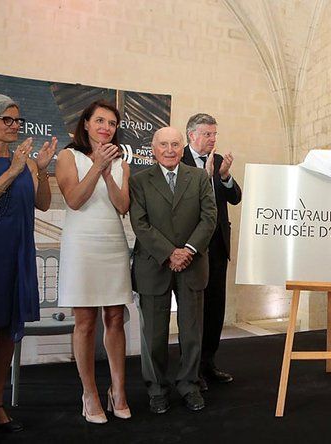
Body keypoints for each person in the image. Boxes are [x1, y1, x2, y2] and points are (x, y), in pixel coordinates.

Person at [0, 94, 56, 444]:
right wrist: (15, 170)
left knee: (7, 333)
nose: (15, 126)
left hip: (18, 253)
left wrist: (41, 170)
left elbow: (44, 204)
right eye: (7, 120)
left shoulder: (27, 162)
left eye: (18, 120)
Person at [129, 126, 216, 414]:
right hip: (153, 265)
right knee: (153, 334)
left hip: (192, 264)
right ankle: (156, 389)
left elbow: (209, 217)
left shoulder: (199, 177)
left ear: (183, 148)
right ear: (153, 149)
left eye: (175, 144)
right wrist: (169, 253)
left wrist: (188, 250)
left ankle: (189, 385)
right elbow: (140, 223)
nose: (169, 150)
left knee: (192, 332)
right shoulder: (139, 181)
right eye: (163, 145)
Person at [56, 100, 133, 424]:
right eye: (100, 120)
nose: (106, 127)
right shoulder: (67, 156)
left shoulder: (122, 163)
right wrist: (96, 166)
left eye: (112, 123)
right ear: (85, 123)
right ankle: (89, 393)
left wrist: (109, 171)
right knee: (85, 321)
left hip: (113, 243)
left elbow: (122, 206)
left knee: (115, 317)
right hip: (81, 246)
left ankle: (118, 391)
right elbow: (74, 200)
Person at [181, 113, 242, 389]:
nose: (213, 139)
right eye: (207, 134)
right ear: (192, 135)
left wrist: (225, 176)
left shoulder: (218, 163)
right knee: (194, 310)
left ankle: (209, 362)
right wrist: (203, 179)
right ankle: (191, 368)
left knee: (216, 307)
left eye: (215, 134)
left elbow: (235, 197)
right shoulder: (177, 160)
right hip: (190, 247)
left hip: (217, 245)